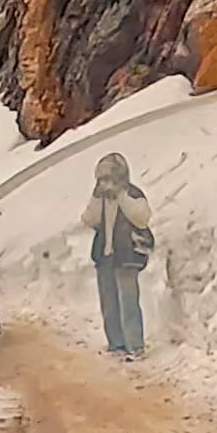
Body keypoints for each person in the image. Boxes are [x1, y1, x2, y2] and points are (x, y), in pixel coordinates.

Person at [85, 153, 152, 358]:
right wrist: (97, 198)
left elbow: (141, 218)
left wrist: (122, 196)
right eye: (101, 179)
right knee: (109, 303)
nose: (105, 184)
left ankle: (135, 345)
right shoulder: (101, 199)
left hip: (127, 256)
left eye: (108, 178)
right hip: (105, 257)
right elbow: (89, 219)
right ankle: (116, 344)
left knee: (128, 302)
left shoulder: (133, 194)